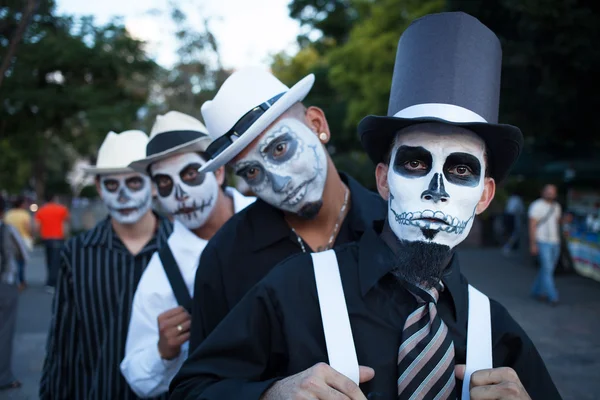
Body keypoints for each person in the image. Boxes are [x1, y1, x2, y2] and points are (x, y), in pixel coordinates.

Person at [169, 12, 561, 400]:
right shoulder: (284, 286)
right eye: (414, 163)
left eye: (461, 169)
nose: (436, 190)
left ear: (485, 196)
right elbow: (193, 387)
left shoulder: (492, 328)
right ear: (384, 178)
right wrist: (270, 394)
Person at [180, 67, 387, 355]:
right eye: (252, 171)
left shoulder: (396, 227)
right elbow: (198, 385)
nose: (278, 182)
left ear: (316, 124)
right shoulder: (225, 258)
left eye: (279, 149)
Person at [120, 111, 255, 398]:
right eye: (165, 184)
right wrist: (163, 351)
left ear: (218, 171)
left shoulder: (271, 218)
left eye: (190, 175)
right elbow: (137, 377)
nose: (179, 194)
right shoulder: (163, 273)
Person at [39, 130, 174, 400]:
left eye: (134, 183)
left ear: (153, 184)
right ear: (100, 188)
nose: (123, 196)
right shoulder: (77, 253)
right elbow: (62, 344)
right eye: (112, 185)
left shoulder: (182, 246)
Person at [0, 195, 22, 392]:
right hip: (4, 284)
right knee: (5, 331)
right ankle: (4, 377)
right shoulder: (6, 229)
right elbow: (22, 252)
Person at [529, 184, 562, 305]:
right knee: (547, 269)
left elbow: (557, 222)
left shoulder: (557, 206)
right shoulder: (536, 206)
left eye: (552, 192)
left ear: (555, 194)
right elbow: (532, 225)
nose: (550, 193)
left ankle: (536, 291)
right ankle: (553, 296)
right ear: (542, 192)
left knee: (547, 269)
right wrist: (533, 244)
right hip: (542, 241)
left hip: (555, 242)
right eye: (548, 191)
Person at [5, 196, 33, 290]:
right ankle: (21, 281)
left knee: (12, 260)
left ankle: (14, 280)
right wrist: (31, 235)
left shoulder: (8, 214)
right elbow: (28, 227)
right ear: (21, 204)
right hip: (23, 240)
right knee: (21, 261)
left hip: (10, 240)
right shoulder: (24, 214)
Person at [502, 190, 525, 255]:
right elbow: (521, 210)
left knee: (508, 232)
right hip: (512, 216)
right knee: (514, 232)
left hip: (506, 215)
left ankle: (507, 246)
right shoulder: (518, 199)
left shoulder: (510, 198)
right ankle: (508, 246)